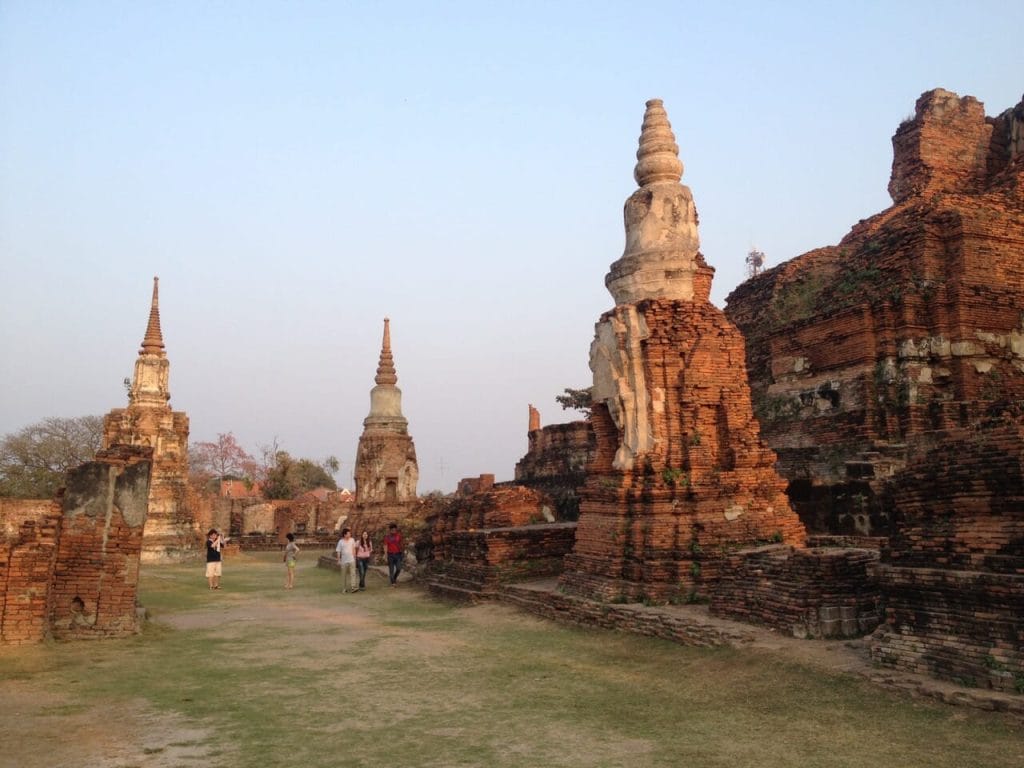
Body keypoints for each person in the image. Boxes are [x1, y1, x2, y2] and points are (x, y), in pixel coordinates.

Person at [335, 527, 357, 593]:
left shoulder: (352, 540)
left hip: (351, 559)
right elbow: (338, 551)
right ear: (345, 535)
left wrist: (354, 556)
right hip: (344, 561)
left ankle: (353, 587)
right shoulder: (340, 542)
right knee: (344, 575)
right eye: (348, 533)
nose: (349, 534)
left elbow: (354, 548)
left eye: (350, 533)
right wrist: (338, 560)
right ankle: (344, 588)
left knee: (353, 574)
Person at [383, 523, 404, 587]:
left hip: (398, 555)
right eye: (392, 530)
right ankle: (393, 583)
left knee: (399, 568)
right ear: (390, 530)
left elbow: (401, 544)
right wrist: (386, 555)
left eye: (395, 529)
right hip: (390, 555)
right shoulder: (387, 537)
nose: (394, 531)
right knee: (391, 570)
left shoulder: (399, 536)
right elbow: (385, 546)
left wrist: (402, 552)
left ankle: (394, 578)